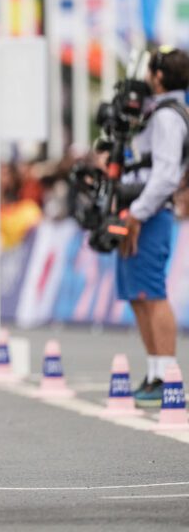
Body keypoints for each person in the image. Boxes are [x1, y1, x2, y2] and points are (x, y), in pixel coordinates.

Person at [117, 47, 189, 407]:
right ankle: (154, 371)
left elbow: (165, 176)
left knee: (151, 293)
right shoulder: (156, 113)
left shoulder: (167, 117)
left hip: (149, 214)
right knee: (137, 294)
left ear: (160, 76)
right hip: (141, 211)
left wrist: (137, 214)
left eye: (151, 71)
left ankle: (166, 374)